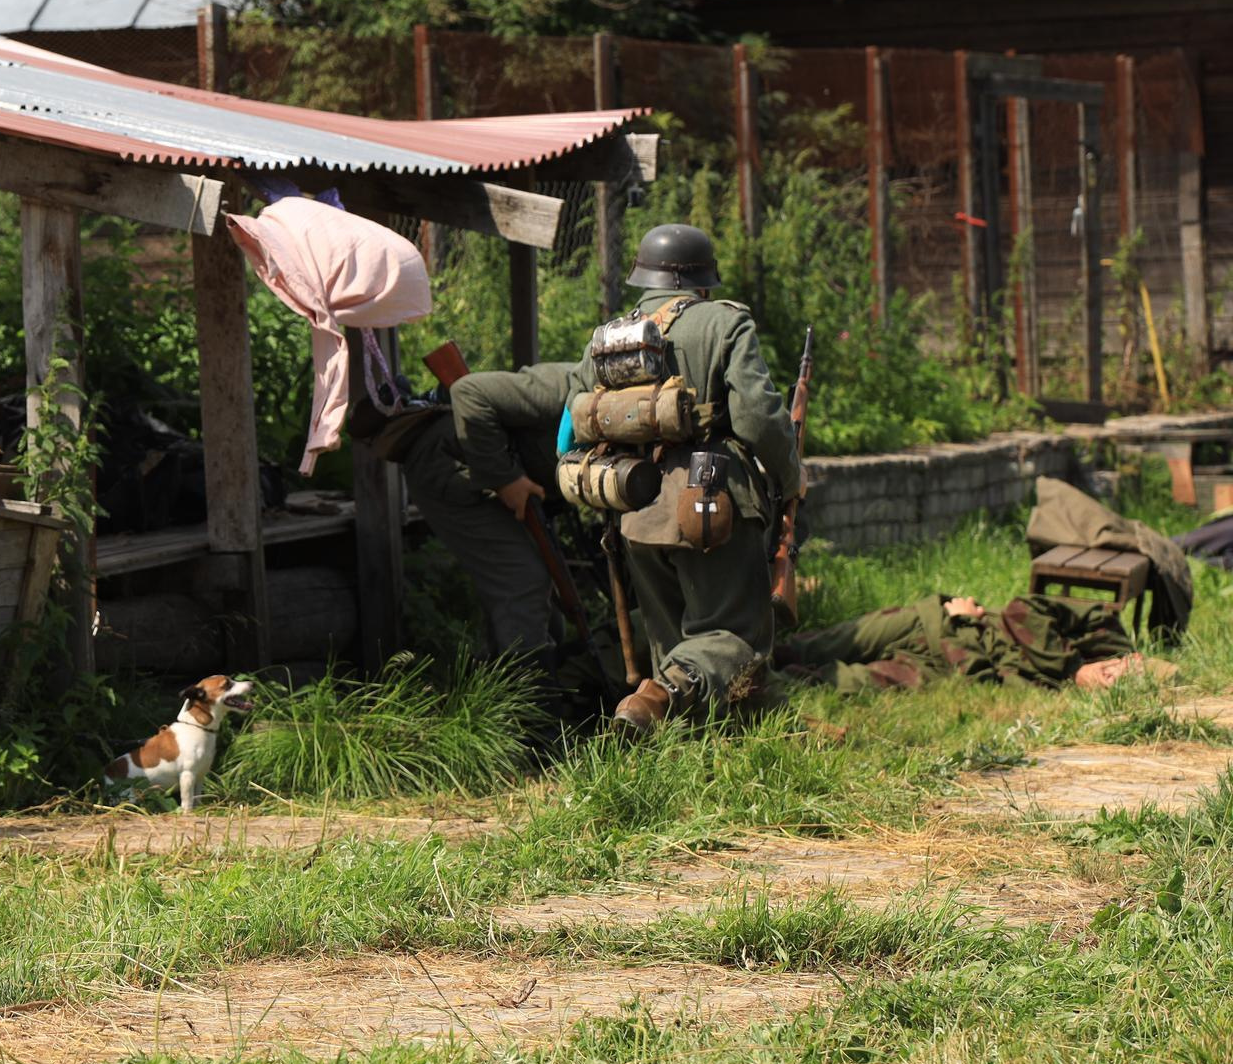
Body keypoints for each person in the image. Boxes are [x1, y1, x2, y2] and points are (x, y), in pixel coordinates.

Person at [567, 223, 801, 736]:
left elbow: (574, 419)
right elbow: (759, 418)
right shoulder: (723, 323)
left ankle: (690, 752)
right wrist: (791, 476)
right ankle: (654, 695)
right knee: (733, 636)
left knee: (671, 644)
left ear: (644, 276)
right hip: (711, 502)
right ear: (703, 280)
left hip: (633, 504)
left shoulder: (608, 336)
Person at [386, 361, 608, 714]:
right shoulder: (565, 387)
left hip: (487, 472)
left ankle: (506, 698)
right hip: (448, 466)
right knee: (523, 581)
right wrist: (506, 479)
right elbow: (467, 393)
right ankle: (533, 722)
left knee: (539, 596)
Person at [778, 593, 1160, 693]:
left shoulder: (1042, 690)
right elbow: (1023, 610)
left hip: (942, 662)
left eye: (1111, 684)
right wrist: (1073, 666)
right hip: (931, 622)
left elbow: (984, 680)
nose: (1105, 675)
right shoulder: (1083, 644)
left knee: (843, 682)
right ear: (1128, 657)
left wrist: (968, 629)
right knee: (831, 642)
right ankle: (757, 651)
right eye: (1114, 668)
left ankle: (761, 683)